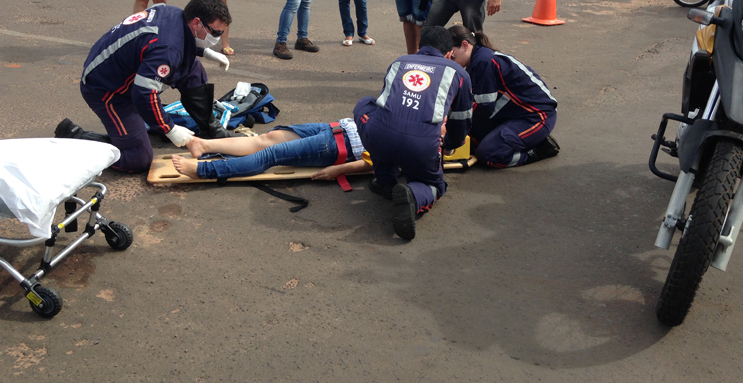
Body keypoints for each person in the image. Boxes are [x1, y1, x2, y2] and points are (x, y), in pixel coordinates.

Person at [54, 0, 234, 173]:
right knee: (137, 158)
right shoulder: (168, 48)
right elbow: (144, 94)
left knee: (192, 70)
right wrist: (169, 129)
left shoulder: (175, 14)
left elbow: (173, 41)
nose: (218, 38)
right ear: (196, 23)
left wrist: (205, 51)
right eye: (215, 33)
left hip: (122, 67)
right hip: (106, 89)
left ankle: (210, 128)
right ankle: (77, 139)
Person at [354, 25, 473, 241]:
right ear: (450, 53)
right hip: (422, 147)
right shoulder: (459, 73)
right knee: (436, 186)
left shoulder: (399, 62)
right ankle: (415, 196)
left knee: (365, 104)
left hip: (380, 138)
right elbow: (462, 119)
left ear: (419, 46)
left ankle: (385, 180)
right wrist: (451, 144)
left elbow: (385, 104)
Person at [447, 25, 560, 168]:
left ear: (464, 45)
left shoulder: (483, 62)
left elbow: (483, 108)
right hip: (513, 114)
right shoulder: (475, 61)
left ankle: (536, 151)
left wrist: (453, 127)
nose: (450, 61)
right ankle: (516, 140)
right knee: (469, 138)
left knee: (488, 154)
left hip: (537, 116)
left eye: (452, 55)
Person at [171, 119, 370, 181]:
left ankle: (202, 171)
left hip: (338, 147)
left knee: (270, 155)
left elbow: (380, 164)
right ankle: (203, 145)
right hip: (337, 127)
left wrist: (339, 170)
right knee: (268, 139)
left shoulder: (402, 143)